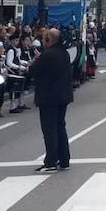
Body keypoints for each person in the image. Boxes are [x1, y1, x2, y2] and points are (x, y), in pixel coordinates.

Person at [31, 27, 72, 172]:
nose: (42, 41)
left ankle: (51, 161)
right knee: (60, 127)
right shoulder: (64, 53)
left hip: (48, 97)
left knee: (49, 129)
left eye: (44, 39)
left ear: (48, 40)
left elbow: (34, 72)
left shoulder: (46, 55)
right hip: (63, 95)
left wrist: (36, 60)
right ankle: (64, 159)